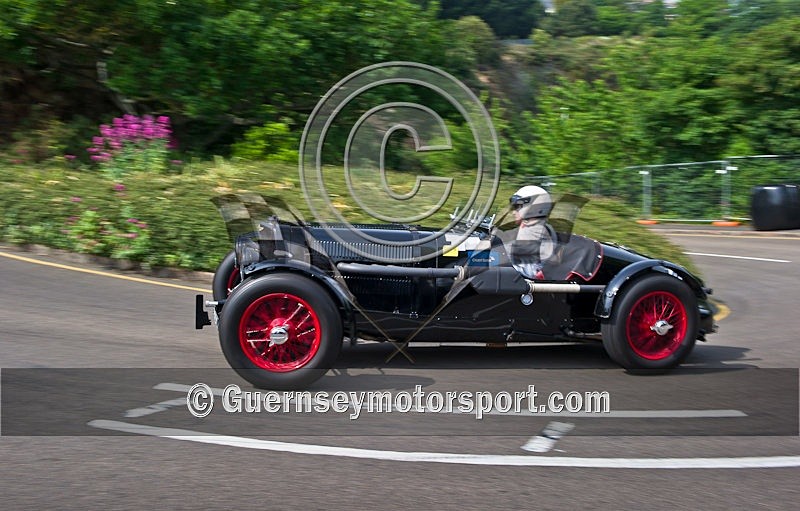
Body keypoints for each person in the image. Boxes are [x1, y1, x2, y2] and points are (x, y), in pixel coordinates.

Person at [508, 185, 556, 279]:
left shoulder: (537, 230)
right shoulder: (533, 226)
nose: (514, 212)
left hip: (527, 280)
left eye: (518, 207)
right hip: (519, 275)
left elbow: (514, 249)